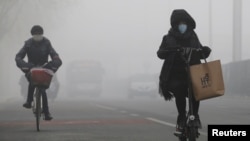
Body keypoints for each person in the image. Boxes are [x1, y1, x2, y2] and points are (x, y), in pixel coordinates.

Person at [157, 9, 211, 134]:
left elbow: (200, 50)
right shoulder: (168, 38)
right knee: (179, 92)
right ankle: (181, 118)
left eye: (184, 22)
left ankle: (195, 116)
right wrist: (170, 51)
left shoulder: (193, 36)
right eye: (179, 23)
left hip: (193, 71)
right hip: (175, 73)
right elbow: (160, 53)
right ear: (175, 24)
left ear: (188, 23)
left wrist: (205, 50)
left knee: (196, 93)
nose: (182, 25)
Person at [15, 25, 62, 120]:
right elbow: (18, 57)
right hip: (31, 68)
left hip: (44, 68)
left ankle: (46, 112)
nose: (37, 35)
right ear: (32, 35)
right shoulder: (28, 44)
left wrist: (54, 63)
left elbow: (54, 55)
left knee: (42, 90)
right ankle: (29, 101)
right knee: (32, 81)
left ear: (42, 34)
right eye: (35, 34)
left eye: (39, 34)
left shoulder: (47, 43)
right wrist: (25, 65)